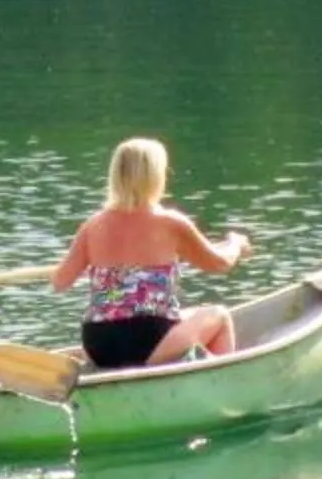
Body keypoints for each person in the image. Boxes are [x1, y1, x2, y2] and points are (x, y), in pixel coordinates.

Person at [49, 136, 249, 371]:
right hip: (150, 339)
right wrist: (235, 243)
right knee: (219, 315)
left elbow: (60, 281)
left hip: (99, 343)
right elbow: (220, 263)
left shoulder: (92, 226)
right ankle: (216, 378)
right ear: (156, 176)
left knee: (182, 316)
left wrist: (89, 265)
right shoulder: (171, 223)